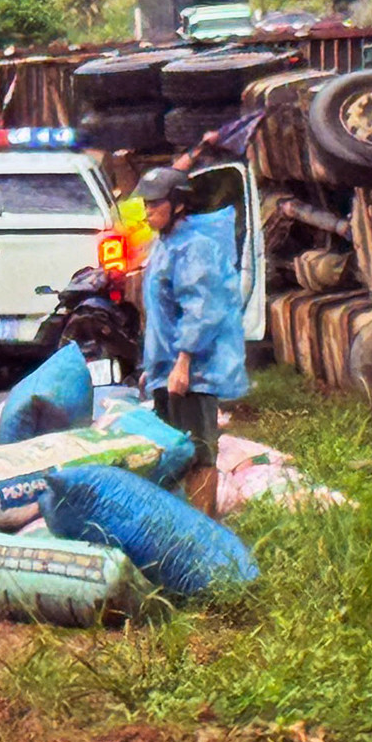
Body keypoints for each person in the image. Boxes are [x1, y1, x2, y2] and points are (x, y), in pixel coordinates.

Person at [136, 165, 249, 517]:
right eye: (146, 204)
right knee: (174, 452)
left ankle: (204, 528)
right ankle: (183, 523)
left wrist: (183, 364)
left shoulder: (194, 248)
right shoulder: (165, 245)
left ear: (178, 204)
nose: (147, 211)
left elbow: (200, 309)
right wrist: (154, 369)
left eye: (155, 204)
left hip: (191, 375)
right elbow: (162, 316)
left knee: (198, 453)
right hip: (168, 371)